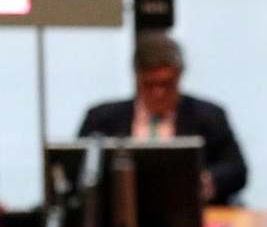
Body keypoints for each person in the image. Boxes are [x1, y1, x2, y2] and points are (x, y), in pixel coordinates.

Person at [78, 31, 249, 205]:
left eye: (167, 84)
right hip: (122, 212)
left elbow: (236, 170)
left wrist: (207, 180)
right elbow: (79, 170)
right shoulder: (102, 118)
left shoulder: (209, 116)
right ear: (137, 77)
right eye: (150, 84)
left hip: (189, 211)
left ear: (179, 76)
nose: (158, 93)